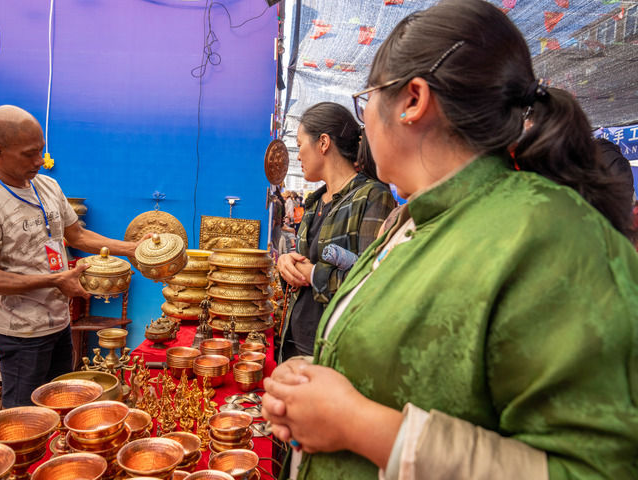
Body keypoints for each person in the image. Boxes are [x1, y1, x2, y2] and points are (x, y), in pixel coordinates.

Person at [262, 1, 638, 479]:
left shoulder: (550, 234)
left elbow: (599, 468)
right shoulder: (415, 221)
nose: (365, 121)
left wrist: (358, 424)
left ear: (413, 100)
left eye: (367, 99)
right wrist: (318, 375)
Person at [0, 105, 143, 408]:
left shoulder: (48, 186)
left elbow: (77, 235)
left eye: (41, 150)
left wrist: (131, 249)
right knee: (25, 419)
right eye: (29, 154)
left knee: (59, 409)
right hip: (22, 333)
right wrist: (55, 280)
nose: (39, 161)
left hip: (57, 323)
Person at [276, 102, 395, 360]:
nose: (298, 156)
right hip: (295, 337)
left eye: (299, 145)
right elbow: (303, 261)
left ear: (323, 143)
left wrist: (313, 274)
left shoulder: (372, 196)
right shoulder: (314, 203)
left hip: (334, 347)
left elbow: (373, 281)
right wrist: (287, 264)